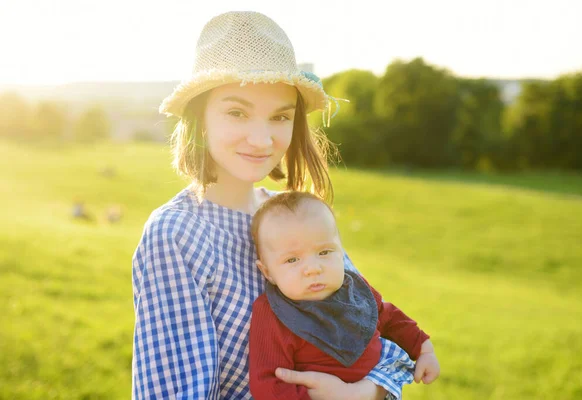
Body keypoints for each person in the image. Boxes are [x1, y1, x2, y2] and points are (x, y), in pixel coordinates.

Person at [132, 10, 434, 399]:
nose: (261, 139)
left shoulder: (290, 215)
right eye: (237, 112)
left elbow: (370, 329)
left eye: (279, 117)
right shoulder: (175, 234)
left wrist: (364, 394)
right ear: (200, 118)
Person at [248, 191, 440, 399]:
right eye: (292, 260)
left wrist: (424, 350)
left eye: (324, 252)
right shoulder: (274, 312)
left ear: (340, 251)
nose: (313, 268)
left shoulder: (354, 289)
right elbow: (267, 383)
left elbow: (390, 317)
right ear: (267, 272)